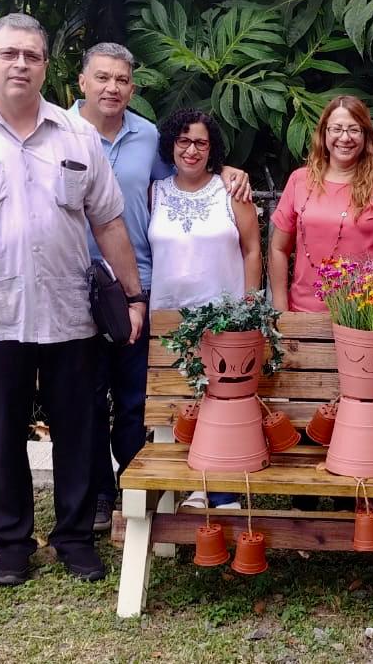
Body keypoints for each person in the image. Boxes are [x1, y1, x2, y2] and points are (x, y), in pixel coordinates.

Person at [0, 13, 144, 586]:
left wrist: (133, 297)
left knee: (77, 430)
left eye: (33, 56)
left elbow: (110, 221)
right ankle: (12, 544)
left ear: (46, 67)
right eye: (10, 54)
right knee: (1, 435)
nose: (21, 64)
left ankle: (73, 539)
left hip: (70, 313)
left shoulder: (77, 137)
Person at [71, 43, 252, 533]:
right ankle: (96, 498)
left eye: (122, 79)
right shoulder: (57, 131)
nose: (113, 87)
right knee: (83, 401)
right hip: (69, 287)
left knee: (136, 401)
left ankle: (144, 493)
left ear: (132, 86)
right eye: (103, 78)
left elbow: (186, 180)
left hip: (139, 293)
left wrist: (231, 173)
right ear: (82, 82)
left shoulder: (147, 136)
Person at [150, 109, 261, 509]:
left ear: (212, 149)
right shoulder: (154, 192)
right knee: (175, 404)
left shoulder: (231, 191)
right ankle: (190, 486)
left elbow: (252, 250)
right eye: (183, 141)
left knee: (223, 404)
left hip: (223, 321)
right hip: (167, 320)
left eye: (201, 142)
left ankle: (224, 489)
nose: (191, 149)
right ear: (171, 146)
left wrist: (250, 308)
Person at [269, 95, 373, 311]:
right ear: (324, 133)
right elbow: (278, 248)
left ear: (365, 136)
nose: (345, 138)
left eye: (354, 130)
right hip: (302, 315)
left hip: (363, 316)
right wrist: (280, 310)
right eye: (337, 129)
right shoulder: (299, 180)